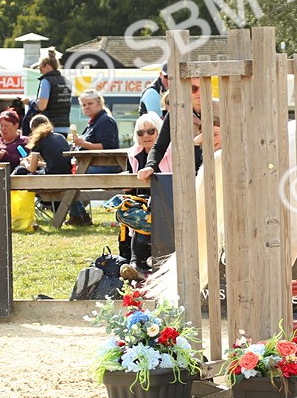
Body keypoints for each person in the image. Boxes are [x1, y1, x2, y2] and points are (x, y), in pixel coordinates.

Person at [138, 78, 219, 181]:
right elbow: (159, 146)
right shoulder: (176, 113)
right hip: (188, 176)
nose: (199, 92)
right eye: (193, 89)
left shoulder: (221, 108)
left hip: (220, 169)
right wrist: (150, 166)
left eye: (203, 88)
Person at [121, 112, 165, 278]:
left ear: (159, 131)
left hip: (166, 200)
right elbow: (131, 190)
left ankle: (138, 264)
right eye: (141, 132)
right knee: (134, 214)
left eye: (150, 131)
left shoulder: (170, 152)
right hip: (142, 203)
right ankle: (136, 264)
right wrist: (127, 188)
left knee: (145, 215)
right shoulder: (133, 154)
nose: (145, 135)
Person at [67, 90, 121, 226]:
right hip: (92, 165)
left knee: (68, 178)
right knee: (67, 175)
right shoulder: (94, 121)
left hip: (106, 166)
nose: (86, 107)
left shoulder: (105, 121)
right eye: (83, 105)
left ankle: (79, 216)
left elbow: (107, 146)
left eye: (90, 103)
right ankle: (79, 215)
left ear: (99, 104)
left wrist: (82, 143)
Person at [26, 48, 72, 132]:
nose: (40, 72)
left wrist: (30, 102)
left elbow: (42, 106)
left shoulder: (46, 81)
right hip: (65, 126)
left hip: (50, 127)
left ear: (47, 66)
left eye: (40, 68)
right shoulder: (66, 81)